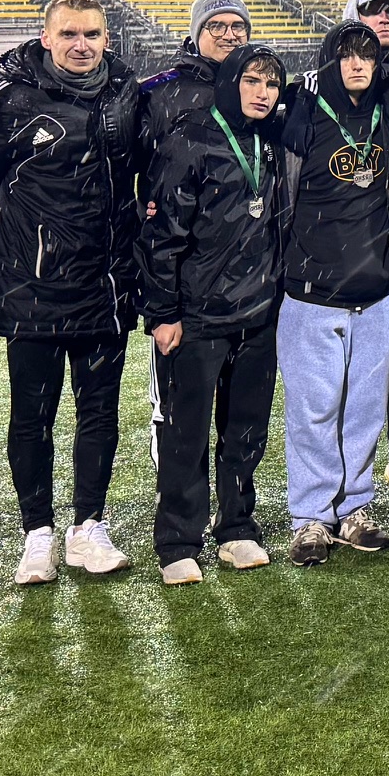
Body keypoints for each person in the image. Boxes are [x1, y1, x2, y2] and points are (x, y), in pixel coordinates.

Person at [0, 0, 147, 584]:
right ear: (45, 38)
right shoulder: (12, 99)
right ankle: (36, 534)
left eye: (93, 35)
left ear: (107, 39)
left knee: (98, 412)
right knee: (33, 414)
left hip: (106, 282)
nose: (81, 46)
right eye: (69, 34)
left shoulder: (127, 94)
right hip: (33, 283)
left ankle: (88, 528)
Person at [277, 22, 389, 564]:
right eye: (346, 56)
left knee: (364, 409)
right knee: (314, 408)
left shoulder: (388, 108)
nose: (358, 65)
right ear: (331, 60)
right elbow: (283, 182)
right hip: (311, 287)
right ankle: (311, 517)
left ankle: (353, 508)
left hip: (376, 284)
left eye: (367, 56)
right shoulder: (306, 104)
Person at [137, 43, 288, 581]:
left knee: (246, 430)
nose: (262, 93)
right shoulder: (189, 138)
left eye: (271, 85)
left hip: (259, 311)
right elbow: (160, 235)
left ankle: (237, 528)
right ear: (229, 83)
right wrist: (164, 313)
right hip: (196, 315)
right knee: (186, 433)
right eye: (251, 81)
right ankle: (179, 541)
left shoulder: (271, 140)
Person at [140, 0, 260, 153]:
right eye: (216, 26)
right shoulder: (156, 93)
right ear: (196, 34)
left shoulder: (261, 88)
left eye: (238, 26)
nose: (230, 36)